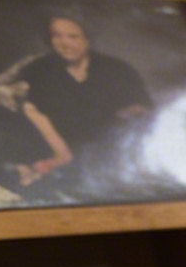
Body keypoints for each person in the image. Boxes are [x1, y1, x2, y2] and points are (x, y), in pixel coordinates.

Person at [16, 16, 152, 160]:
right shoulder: (35, 71)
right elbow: (28, 117)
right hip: (52, 155)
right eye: (57, 36)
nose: (65, 44)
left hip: (111, 153)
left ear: (87, 39)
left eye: (73, 37)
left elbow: (142, 109)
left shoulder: (118, 69)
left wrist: (129, 115)